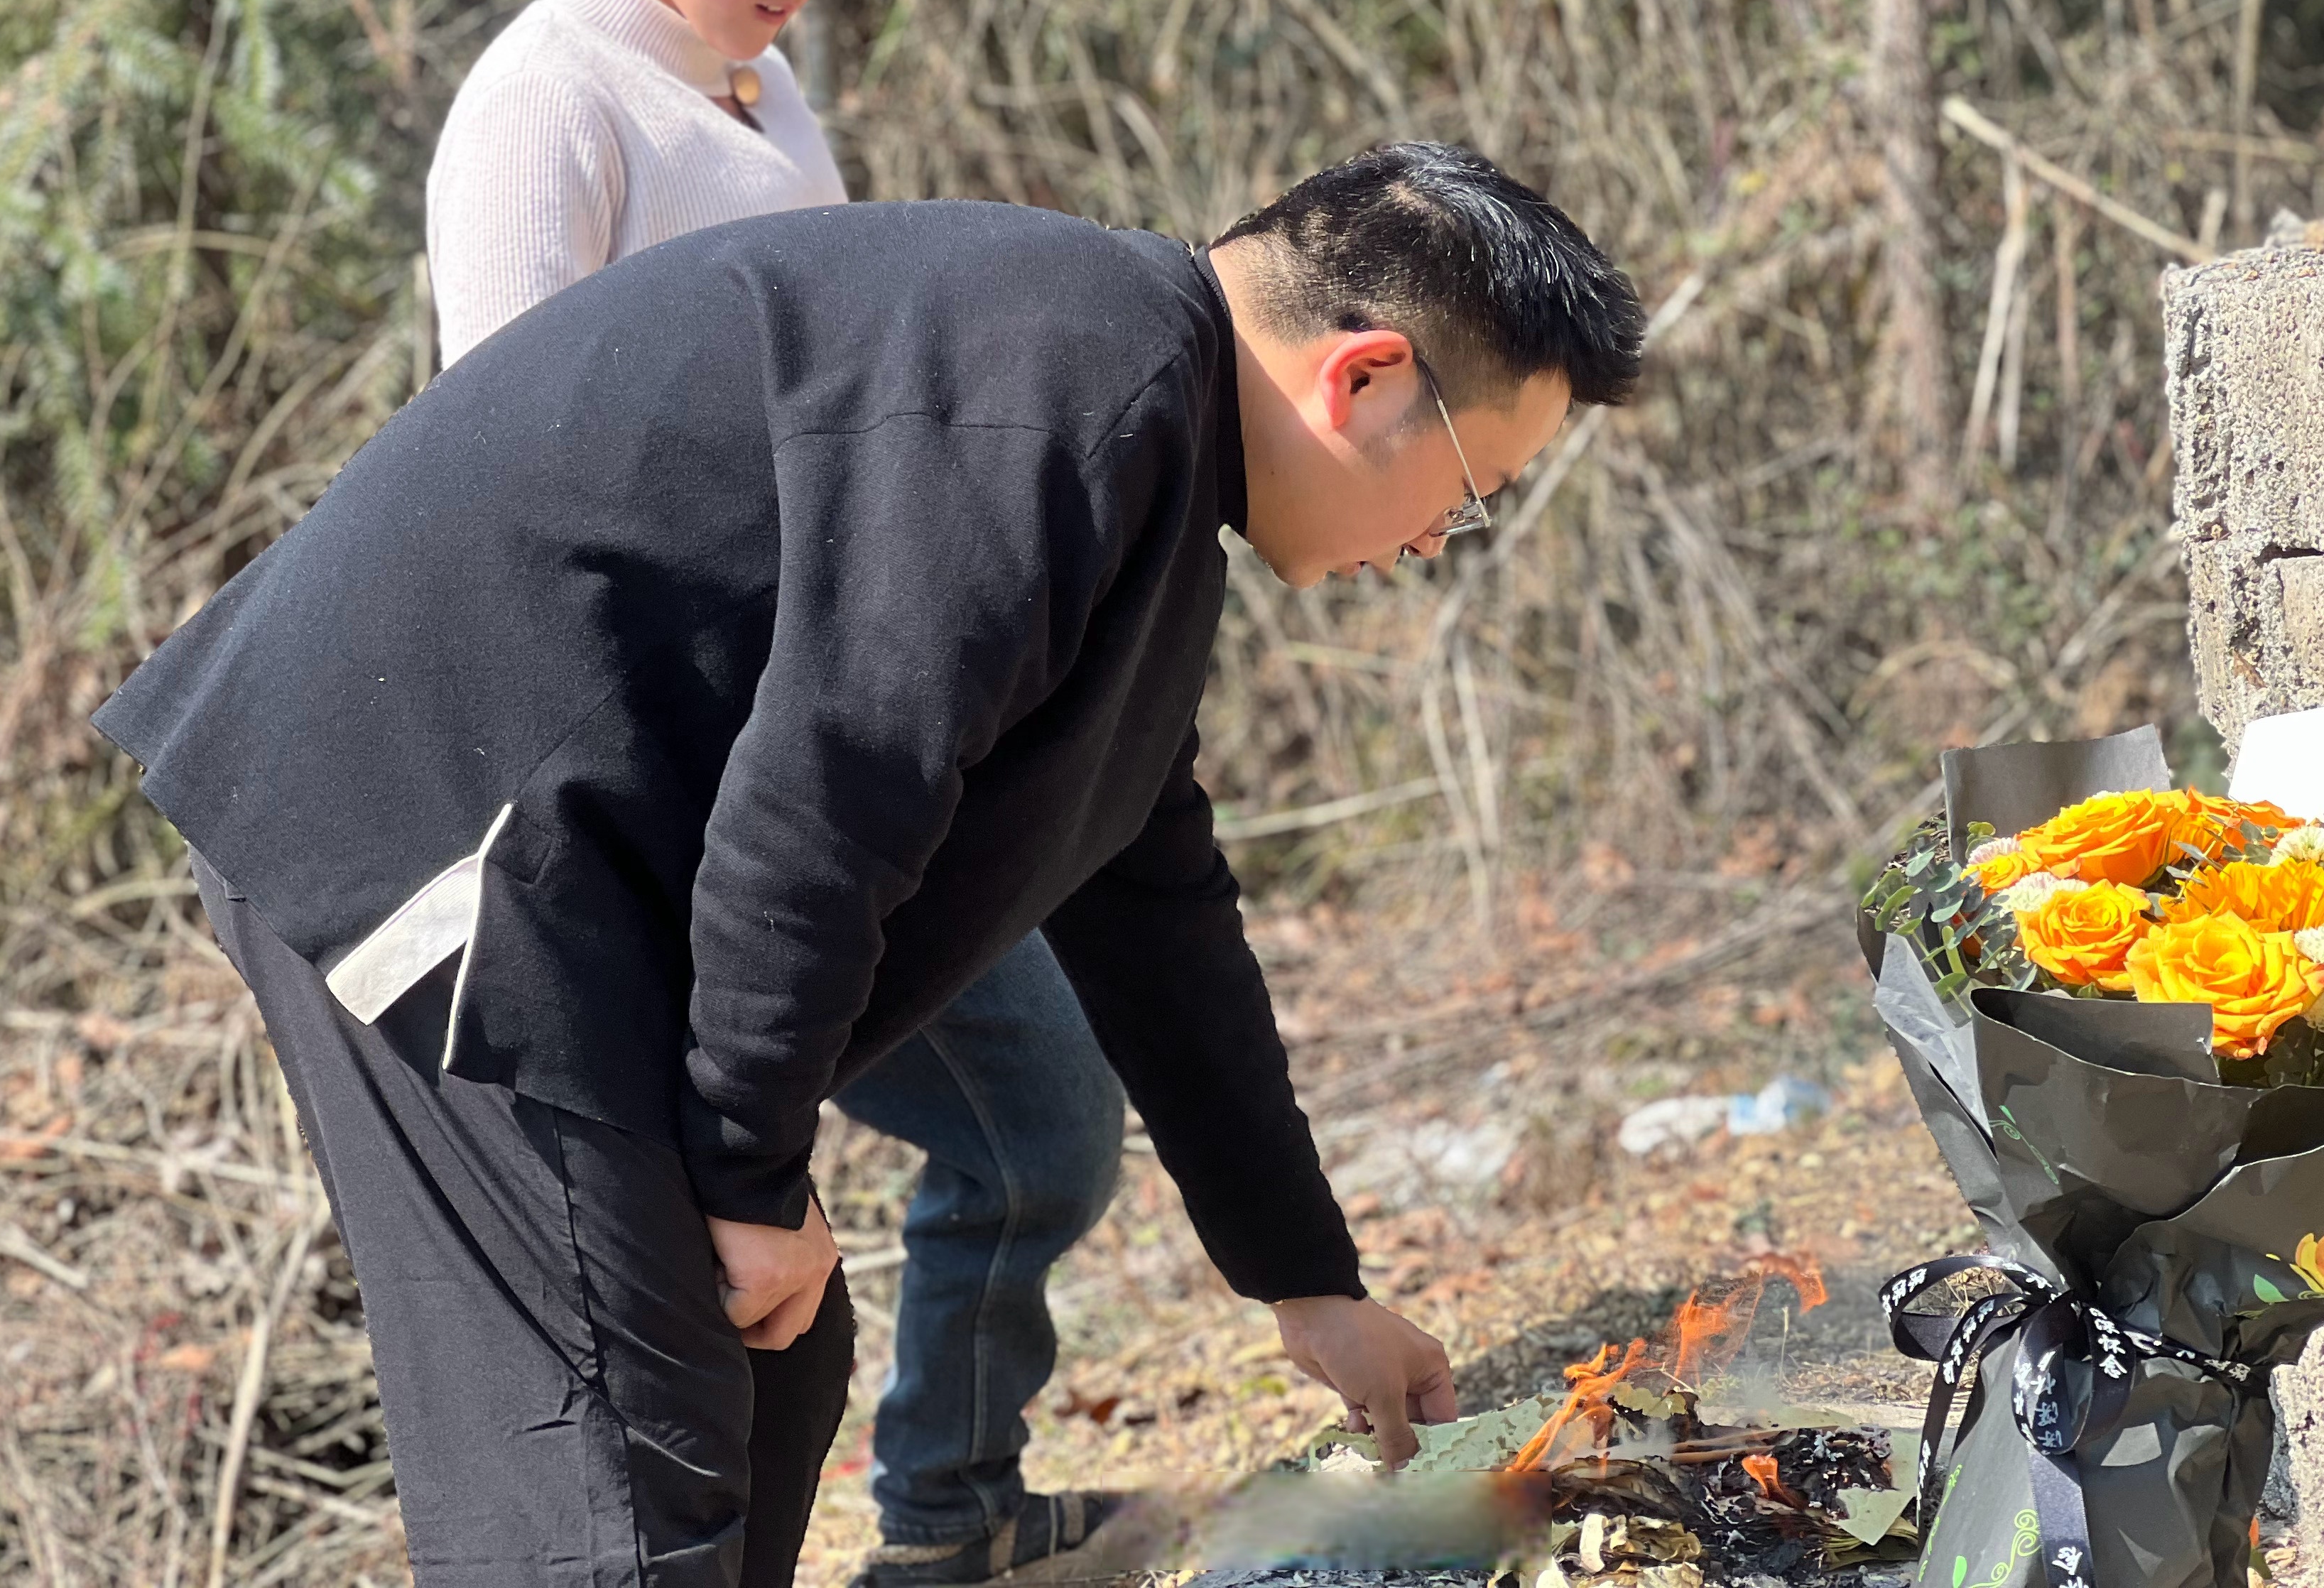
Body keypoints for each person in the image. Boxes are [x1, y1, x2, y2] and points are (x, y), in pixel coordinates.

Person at [93, 142, 1646, 1587]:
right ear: (1366, 378)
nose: (1446, 536)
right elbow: (835, 789)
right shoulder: (1073, 393)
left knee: (776, 1364)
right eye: (1472, 486)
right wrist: (745, 1168)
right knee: (618, 1450)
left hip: (547, 859)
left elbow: (1152, 898)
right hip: (430, 823)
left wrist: (1307, 1280)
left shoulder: (1132, 421)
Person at [421, 0, 1139, 1584]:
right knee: (756, 1297)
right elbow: (494, 499)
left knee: (1046, 1127)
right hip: (678, 802)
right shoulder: (547, 102)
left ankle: (951, 1517)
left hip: (836, 754)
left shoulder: (754, 82)